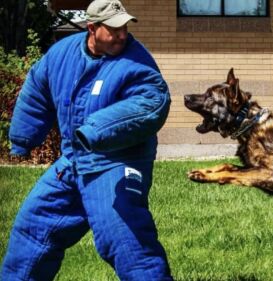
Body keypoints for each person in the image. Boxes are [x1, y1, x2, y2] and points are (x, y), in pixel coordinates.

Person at [1, 0, 174, 280]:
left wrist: (95, 129)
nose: (122, 35)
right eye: (114, 29)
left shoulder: (136, 61)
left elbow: (152, 102)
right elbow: (37, 89)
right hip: (72, 161)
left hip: (116, 162)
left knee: (125, 240)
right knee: (33, 227)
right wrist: (23, 138)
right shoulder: (62, 54)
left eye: (125, 27)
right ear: (92, 28)